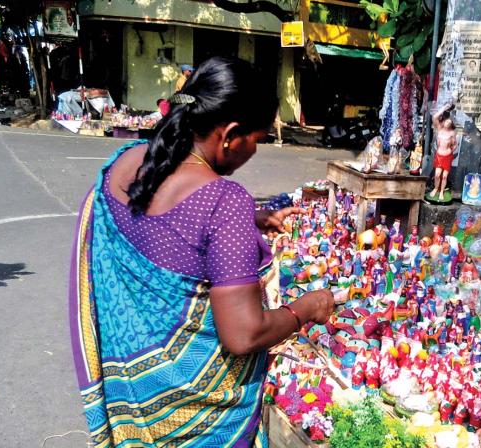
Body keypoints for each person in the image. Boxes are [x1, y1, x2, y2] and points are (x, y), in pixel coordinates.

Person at [69, 57, 335, 447]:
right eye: (257, 140)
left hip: (132, 398)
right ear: (230, 134)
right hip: (191, 420)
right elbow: (243, 335)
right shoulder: (223, 203)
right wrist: (305, 310)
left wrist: (248, 223)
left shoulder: (125, 161)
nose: (254, 151)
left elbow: (159, 224)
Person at [428, 102, 457, 201]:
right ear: (443, 121)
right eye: (446, 120)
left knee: (444, 176)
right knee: (437, 174)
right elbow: (435, 116)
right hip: (439, 155)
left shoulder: (452, 132)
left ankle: (441, 191)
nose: (448, 122)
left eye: (450, 121)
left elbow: (455, 144)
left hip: (447, 156)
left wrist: (452, 150)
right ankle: (436, 188)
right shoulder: (439, 129)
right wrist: (444, 107)